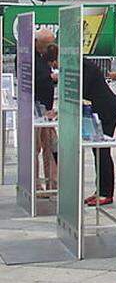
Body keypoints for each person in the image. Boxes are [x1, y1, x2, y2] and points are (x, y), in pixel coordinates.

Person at [82, 56, 116, 206]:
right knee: (97, 150)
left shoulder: (86, 67)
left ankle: (106, 193)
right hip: (99, 110)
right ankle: (100, 189)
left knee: (102, 150)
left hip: (107, 110)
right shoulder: (82, 65)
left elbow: (82, 90)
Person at [34, 30, 58, 189]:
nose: (48, 48)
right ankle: (35, 184)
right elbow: (34, 80)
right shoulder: (30, 56)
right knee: (35, 147)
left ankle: (52, 183)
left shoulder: (44, 57)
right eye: (47, 44)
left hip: (47, 108)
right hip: (35, 109)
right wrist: (50, 78)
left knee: (51, 146)